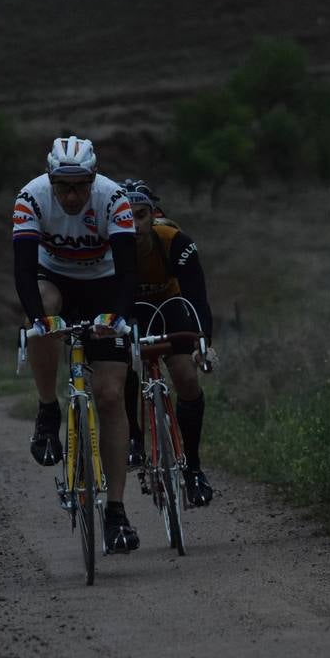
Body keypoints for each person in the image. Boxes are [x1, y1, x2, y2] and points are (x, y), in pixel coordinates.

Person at [12, 135, 141, 553]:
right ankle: (49, 408)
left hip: (106, 284)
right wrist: (38, 320)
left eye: (80, 185)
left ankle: (117, 512)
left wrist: (117, 318)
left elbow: (128, 272)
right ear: (49, 178)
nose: (71, 195)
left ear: (93, 178)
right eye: (62, 185)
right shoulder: (31, 198)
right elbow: (23, 270)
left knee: (108, 396)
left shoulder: (113, 198)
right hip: (56, 281)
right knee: (43, 312)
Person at [122, 179, 218, 507]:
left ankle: (193, 468)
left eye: (141, 215)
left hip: (171, 306)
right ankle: (134, 437)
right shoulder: (107, 244)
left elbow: (197, 298)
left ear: (153, 216)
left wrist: (204, 343)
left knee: (187, 378)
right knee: (119, 366)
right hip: (127, 310)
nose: (134, 223)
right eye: (126, 215)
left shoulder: (174, 240)